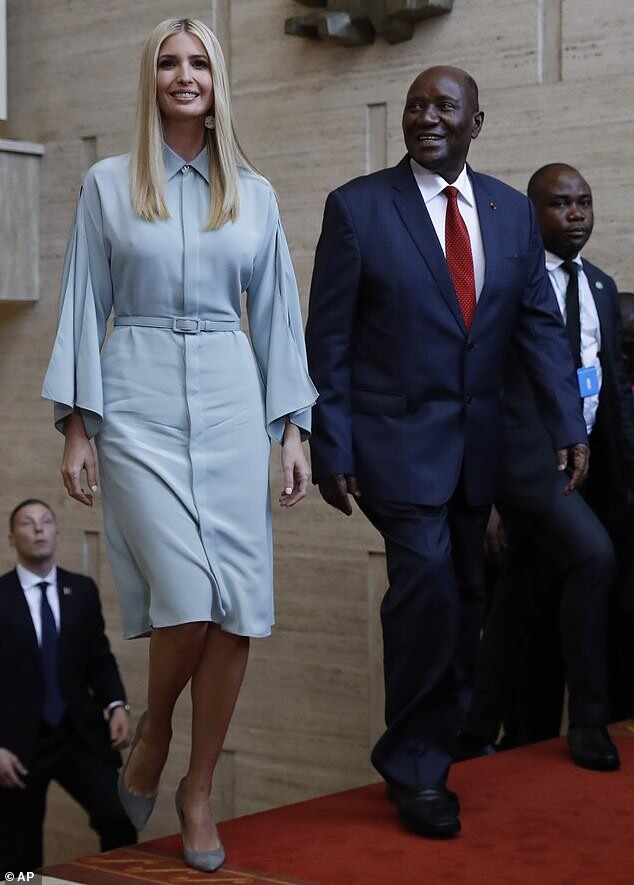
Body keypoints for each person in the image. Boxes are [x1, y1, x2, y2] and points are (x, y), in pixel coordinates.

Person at [42, 17, 316, 874]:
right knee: (189, 596)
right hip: (137, 396)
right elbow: (83, 300)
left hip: (233, 398)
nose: (184, 75)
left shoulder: (255, 194)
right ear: (150, 79)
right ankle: (156, 731)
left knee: (238, 605)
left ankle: (197, 788)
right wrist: (78, 424)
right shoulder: (107, 184)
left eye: (199, 62)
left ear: (217, 80)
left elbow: (278, 316)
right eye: (168, 62)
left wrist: (292, 429)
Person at [305, 66, 589, 840]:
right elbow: (328, 339)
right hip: (392, 447)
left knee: (464, 596)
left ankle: (445, 736)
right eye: (416, 106)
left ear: (476, 123)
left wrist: (569, 424)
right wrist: (330, 441)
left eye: (444, 107)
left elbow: (537, 327)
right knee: (427, 584)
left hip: (477, 451)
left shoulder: (509, 211)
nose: (427, 117)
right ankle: (416, 767)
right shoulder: (359, 207)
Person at [463, 163, 634, 762]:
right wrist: (484, 495)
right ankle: (588, 721)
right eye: (561, 204)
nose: (577, 214)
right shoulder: (507, 282)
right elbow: (479, 385)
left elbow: (609, 389)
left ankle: (473, 730)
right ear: (531, 215)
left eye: (584, 201)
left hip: (583, 464)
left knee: (518, 594)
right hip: (524, 455)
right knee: (592, 558)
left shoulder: (602, 287)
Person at [0, 498, 136, 874]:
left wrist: (116, 704)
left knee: (118, 816)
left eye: (46, 521)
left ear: (57, 532)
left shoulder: (82, 590)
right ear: (12, 538)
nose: (38, 529)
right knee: (18, 854)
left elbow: (99, 658)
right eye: (28, 523)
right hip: (15, 745)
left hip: (77, 735)